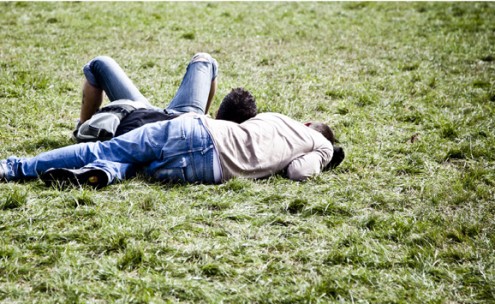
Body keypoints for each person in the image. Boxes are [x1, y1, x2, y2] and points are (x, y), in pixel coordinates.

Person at [0, 111, 344, 188]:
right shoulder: (320, 147)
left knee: (110, 149)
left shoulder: (282, 118)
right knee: (134, 165)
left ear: (311, 123)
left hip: (197, 128)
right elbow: (299, 172)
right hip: (203, 172)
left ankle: (15, 168)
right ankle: (100, 176)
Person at [74, 53, 257, 140]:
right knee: (205, 60)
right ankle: (199, 117)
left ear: (218, 112)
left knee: (99, 64)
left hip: (149, 121)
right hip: (190, 115)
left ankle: (83, 127)